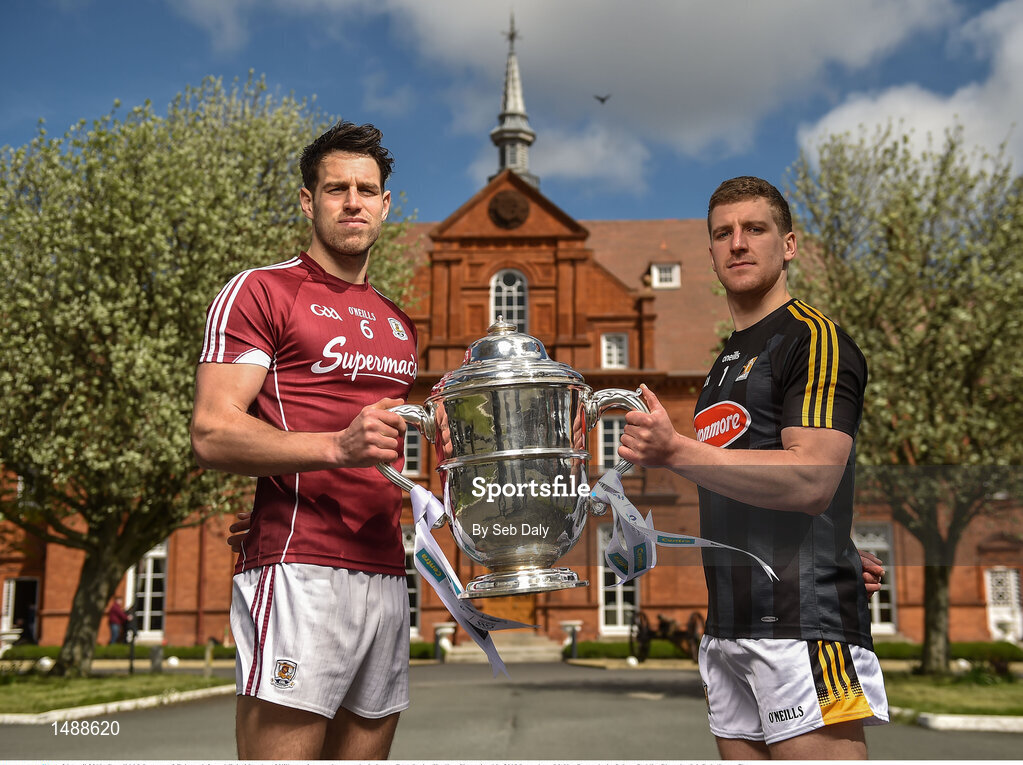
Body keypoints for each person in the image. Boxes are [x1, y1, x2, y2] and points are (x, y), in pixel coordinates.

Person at [617, 176, 888, 760]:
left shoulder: (814, 340)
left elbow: (812, 477)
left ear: (788, 245)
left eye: (754, 229)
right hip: (727, 631)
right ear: (711, 252)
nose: (737, 243)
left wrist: (675, 451)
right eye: (723, 233)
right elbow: (747, 478)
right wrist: (833, 543)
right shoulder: (725, 361)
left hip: (804, 628)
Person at [190, 121, 416, 761]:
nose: (353, 203)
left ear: (385, 205)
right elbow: (212, 430)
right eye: (337, 189)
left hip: (385, 570)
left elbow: (386, 448)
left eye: (366, 191)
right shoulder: (261, 291)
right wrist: (336, 449)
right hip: (299, 565)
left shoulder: (399, 323)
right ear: (307, 201)